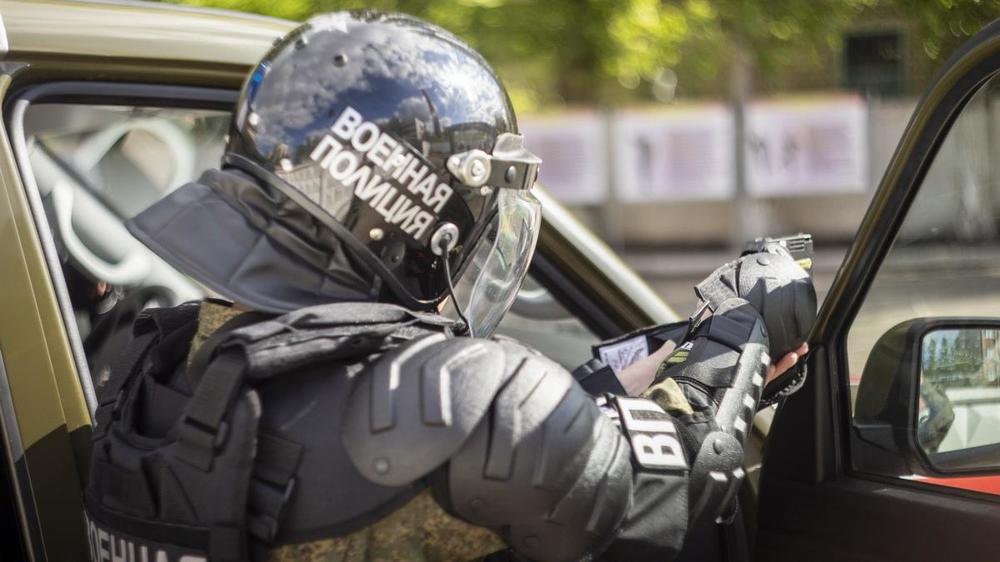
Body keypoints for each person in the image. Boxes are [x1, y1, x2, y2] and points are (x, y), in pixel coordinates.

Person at [83, 11, 814, 562]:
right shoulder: (444, 420)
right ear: (420, 223)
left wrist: (615, 384)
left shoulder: (155, 366)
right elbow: (681, 480)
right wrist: (743, 325)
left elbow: (498, 432)